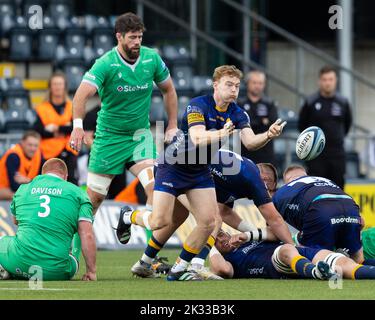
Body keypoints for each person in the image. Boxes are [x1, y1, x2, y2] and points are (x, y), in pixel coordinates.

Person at [116, 65, 288, 281]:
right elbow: (197, 137)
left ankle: (180, 269)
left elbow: (250, 142)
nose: (234, 90)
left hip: (199, 170)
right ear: (215, 85)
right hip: (173, 166)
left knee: (209, 221)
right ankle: (128, 215)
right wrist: (221, 133)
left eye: (236, 85)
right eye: (229, 84)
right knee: (159, 221)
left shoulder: (237, 112)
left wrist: (269, 135)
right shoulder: (198, 105)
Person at [69, 12, 178, 216]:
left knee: (156, 188)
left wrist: (172, 124)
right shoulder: (105, 63)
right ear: (119, 36)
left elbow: (169, 90)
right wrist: (77, 127)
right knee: (93, 201)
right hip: (109, 138)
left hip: (139, 136)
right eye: (132, 37)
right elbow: (80, 97)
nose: (137, 42)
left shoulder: (151, 58)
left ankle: (129, 220)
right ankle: (73, 248)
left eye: (140, 37)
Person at [128, 149, 293, 280]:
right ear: (265, 180)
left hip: (179, 167)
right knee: (211, 219)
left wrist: (251, 234)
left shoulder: (239, 178)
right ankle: (196, 267)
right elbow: (275, 219)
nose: (269, 195)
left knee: (174, 219)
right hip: (178, 168)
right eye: (270, 189)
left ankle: (144, 263)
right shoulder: (253, 178)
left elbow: (226, 211)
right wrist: (293, 247)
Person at [0, 158, 96, 281]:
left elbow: (16, 221)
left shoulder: (23, 189)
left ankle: (9, 269)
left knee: (3, 240)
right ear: (65, 177)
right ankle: (78, 261)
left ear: (42, 174)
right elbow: (87, 235)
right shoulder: (79, 193)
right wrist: (92, 271)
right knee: (82, 226)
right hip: (57, 272)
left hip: (18, 261)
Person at [268, 165, 365, 264]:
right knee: (357, 260)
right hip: (351, 208)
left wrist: (292, 244)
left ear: (287, 181)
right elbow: (362, 222)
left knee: (312, 257)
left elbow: (273, 228)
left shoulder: (283, 191)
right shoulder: (326, 181)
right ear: (305, 175)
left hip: (321, 210)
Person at [209, 229, 375, 280]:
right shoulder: (228, 260)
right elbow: (223, 270)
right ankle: (316, 272)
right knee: (285, 250)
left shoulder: (243, 240)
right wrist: (208, 242)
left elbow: (276, 233)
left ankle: (321, 271)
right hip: (278, 264)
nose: (221, 240)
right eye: (215, 241)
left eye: (221, 234)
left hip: (302, 251)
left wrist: (248, 235)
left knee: (345, 265)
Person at [298, 66, 352, 189]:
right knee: (316, 190)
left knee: (338, 190)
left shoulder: (343, 102)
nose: (328, 83)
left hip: (337, 155)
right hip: (316, 156)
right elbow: (302, 126)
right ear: (319, 81)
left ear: (335, 81)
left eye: (330, 79)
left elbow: (347, 125)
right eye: (325, 79)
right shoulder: (310, 102)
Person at [34, 71, 78, 184]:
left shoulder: (72, 106)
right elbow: (38, 130)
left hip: (69, 150)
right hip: (49, 151)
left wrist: (56, 128)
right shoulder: (42, 107)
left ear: (65, 86)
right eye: (54, 84)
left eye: (60, 84)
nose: (57, 87)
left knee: (71, 180)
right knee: (48, 182)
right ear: (50, 87)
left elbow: (75, 127)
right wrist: (65, 127)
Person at [82, 105, 127, 199]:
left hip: (118, 159)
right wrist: (105, 151)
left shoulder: (121, 113)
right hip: (99, 159)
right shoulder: (91, 114)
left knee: (119, 195)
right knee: (96, 194)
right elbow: (87, 139)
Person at [239, 70, 278, 166]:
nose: (257, 86)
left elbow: (273, 124)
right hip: (245, 153)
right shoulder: (240, 103)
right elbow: (239, 125)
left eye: (260, 83)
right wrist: (262, 121)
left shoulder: (269, 103)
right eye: (254, 82)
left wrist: (251, 122)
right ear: (248, 83)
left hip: (266, 154)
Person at [0, 131, 43, 200]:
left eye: (36, 145)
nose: (33, 149)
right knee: (18, 196)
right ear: (22, 143)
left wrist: (27, 180)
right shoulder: (13, 155)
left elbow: (42, 181)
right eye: (30, 145)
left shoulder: (39, 154)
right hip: (5, 189)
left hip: (25, 189)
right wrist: (33, 183)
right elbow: (14, 186)